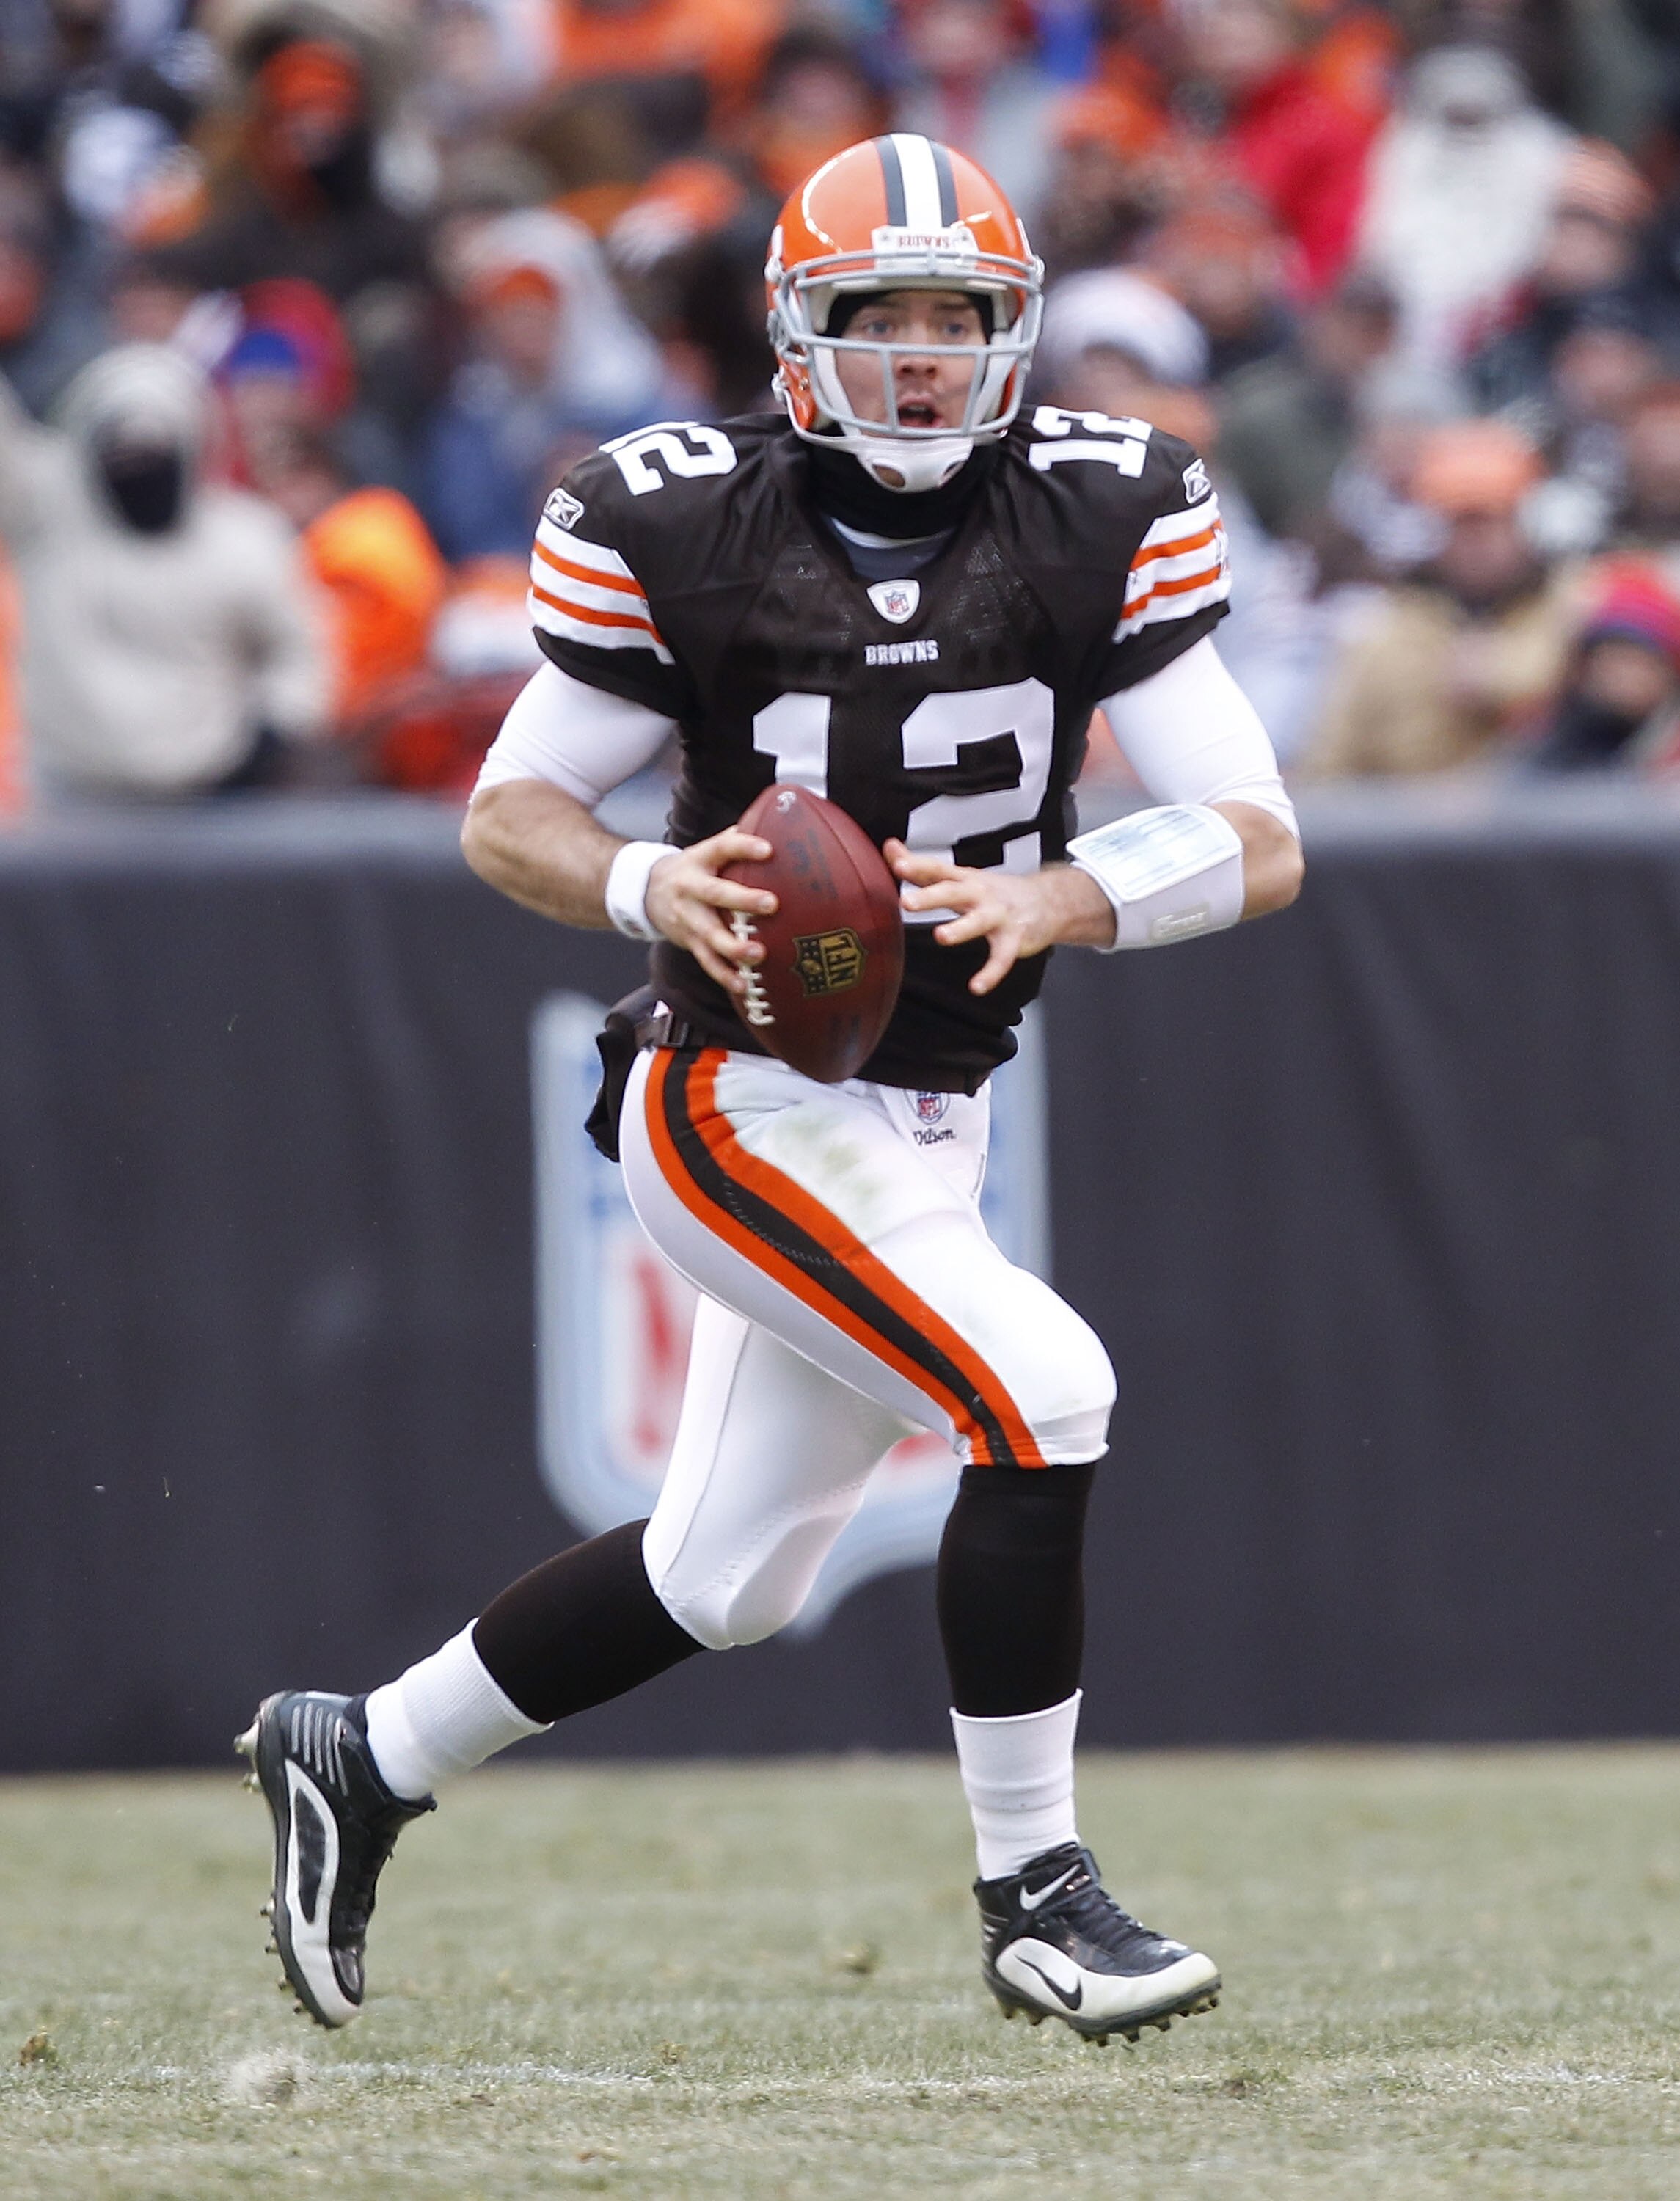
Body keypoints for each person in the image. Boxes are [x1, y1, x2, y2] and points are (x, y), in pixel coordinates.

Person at [237, 135, 1302, 2046]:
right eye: (878, 319)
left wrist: (1068, 888)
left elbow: (1260, 835)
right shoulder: (679, 515)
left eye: (957, 317)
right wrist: (660, 882)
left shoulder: (1101, 504)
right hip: (732, 1092)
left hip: (922, 1114)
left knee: (720, 1577)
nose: (917, 357)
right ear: (799, 336)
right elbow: (513, 816)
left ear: (1015, 334)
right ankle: (1037, 1893)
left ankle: (365, 1752)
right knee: (1045, 1392)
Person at [0, 341, 326, 800]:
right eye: (121, 456)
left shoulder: (246, 541)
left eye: (154, 454)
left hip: (210, 802)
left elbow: (299, 654)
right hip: (72, 800)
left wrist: (272, 730)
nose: (138, 471)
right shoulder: (47, 520)